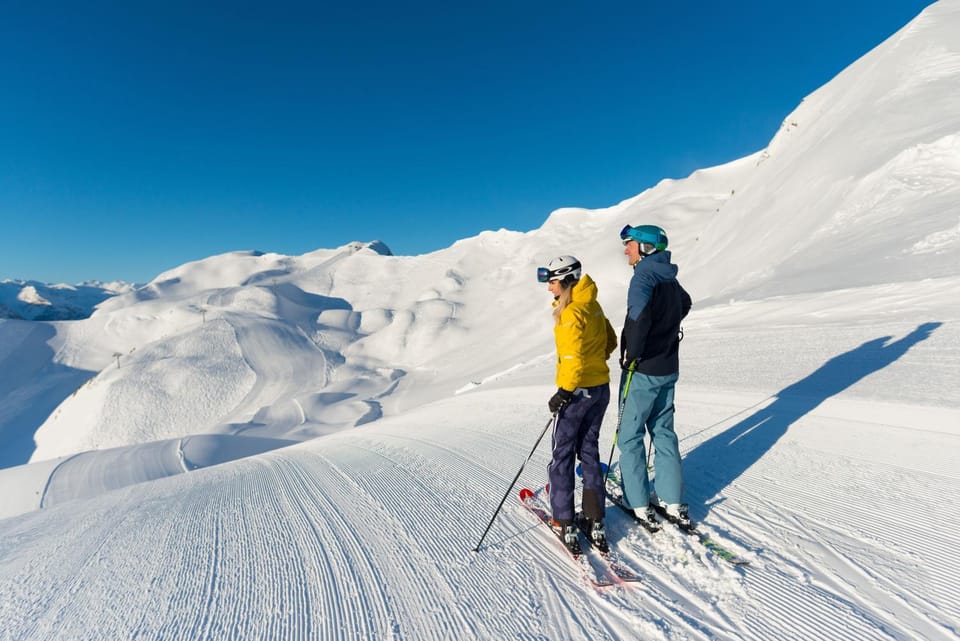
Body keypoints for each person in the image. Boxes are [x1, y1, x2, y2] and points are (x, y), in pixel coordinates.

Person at [537, 255, 618, 553]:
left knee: (562, 455)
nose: (549, 289)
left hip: (577, 392)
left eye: (553, 282)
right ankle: (595, 520)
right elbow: (611, 341)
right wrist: (596, 364)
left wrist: (564, 392)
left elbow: (572, 359)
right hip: (600, 389)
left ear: (568, 279)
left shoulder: (571, 313)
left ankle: (565, 520)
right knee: (589, 451)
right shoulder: (593, 305)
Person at [617, 225, 693, 529]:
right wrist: (665, 331)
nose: (625, 249)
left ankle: (636, 501)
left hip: (643, 369)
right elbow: (684, 304)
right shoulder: (669, 276)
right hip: (668, 367)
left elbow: (637, 319)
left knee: (630, 435)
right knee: (663, 431)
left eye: (629, 244)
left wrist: (631, 356)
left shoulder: (643, 277)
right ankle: (672, 500)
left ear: (645, 248)